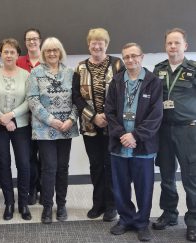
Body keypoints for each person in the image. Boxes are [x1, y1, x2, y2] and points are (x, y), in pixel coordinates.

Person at [105, 43, 163, 241]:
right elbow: (109, 111)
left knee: (144, 186)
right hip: (119, 144)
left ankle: (142, 222)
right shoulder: (116, 81)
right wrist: (122, 134)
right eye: (126, 57)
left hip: (143, 145)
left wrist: (135, 136)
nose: (130, 60)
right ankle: (125, 219)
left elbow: (156, 115)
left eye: (134, 56)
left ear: (142, 56)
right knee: (120, 185)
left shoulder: (153, 82)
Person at [72, 28, 123, 221]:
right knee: (95, 165)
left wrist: (107, 116)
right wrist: (93, 116)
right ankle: (98, 203)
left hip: (113, 125)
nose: (96, 45)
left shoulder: (118, 64)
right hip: (90, 125)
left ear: (106, 44)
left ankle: (112, 205)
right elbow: (76, 96)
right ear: (88, 45)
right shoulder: (80, 67)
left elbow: (123, 93)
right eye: (93, 42)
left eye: (100, 41)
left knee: (111, 164)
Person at [27, 37, 79, 224]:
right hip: (44, 129)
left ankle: (62, 205)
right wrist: (52, 120)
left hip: (66, 128)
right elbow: (33, 100)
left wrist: (71, 120)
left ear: (60, 52)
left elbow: (77, 99)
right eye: (48, 51)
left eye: (55, 50)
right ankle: (47, 206)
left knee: (63, 168)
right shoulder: (35, 73)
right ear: (43, 53)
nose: (52, 54)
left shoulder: (70, 73)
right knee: (49, 168)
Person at [152, 28, 196, 242]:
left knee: (191, 178)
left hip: (188, 130)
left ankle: (193, 222)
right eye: (169, 43)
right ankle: (169, 214)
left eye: (177, 43)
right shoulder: (158, 69)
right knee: (167, 176)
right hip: (164, 130)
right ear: (165, 46)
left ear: (185, 46)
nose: (173, 47)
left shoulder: (193, 69)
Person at [0, 38, 32, 221]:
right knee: (3, 165)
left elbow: (30, 100)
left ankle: (23, 203)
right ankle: (9, 203)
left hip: (21, 125)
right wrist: (3, 119)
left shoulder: (26, 75)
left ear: (17, 54)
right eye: (5, 51)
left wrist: (12, 115)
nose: (8, 55)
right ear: (1, 54)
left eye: (12, 52)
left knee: (23, 164)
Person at [16, 28, 42, 205]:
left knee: (46, 158)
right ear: (25, 42)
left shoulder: (48, 59)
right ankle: (31, 190)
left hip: (45, 119)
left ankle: (43, 189)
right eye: (28, 39)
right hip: (25, 119)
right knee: (30, 157)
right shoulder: (18, 62)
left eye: (35, 39)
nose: (32, 42)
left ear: (40, 40)